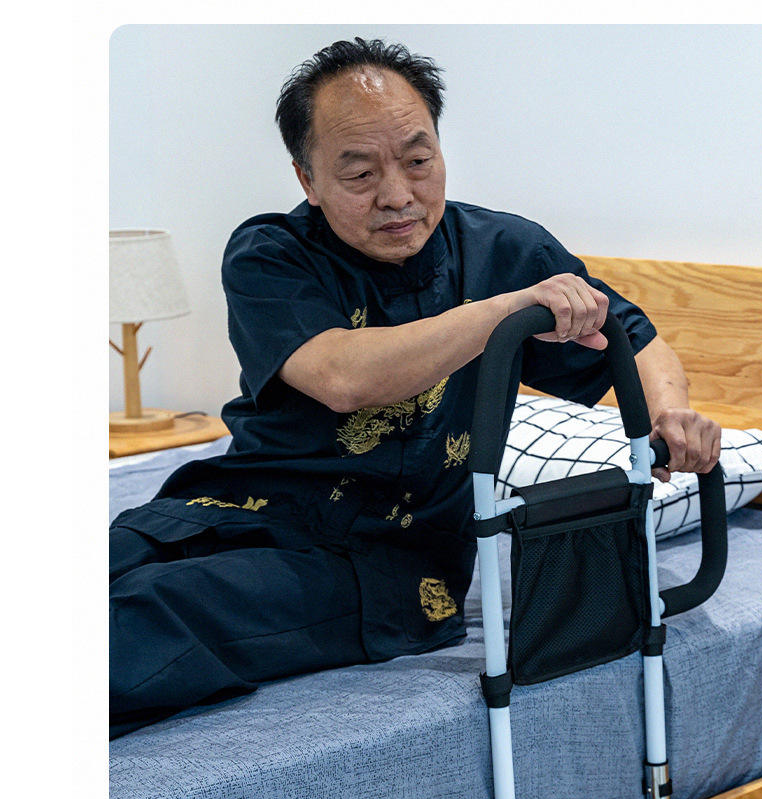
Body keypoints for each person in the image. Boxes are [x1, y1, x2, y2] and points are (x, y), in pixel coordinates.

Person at [109, 37, 721, 739]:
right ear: (308, 179)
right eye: (360, 173)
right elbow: (344, 376)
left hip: (384, 563)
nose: (397, 195)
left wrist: (672, 414)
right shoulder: (270, 254)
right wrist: (507, 312)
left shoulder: (505, 251)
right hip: (235, 504)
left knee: (147, 616)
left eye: (418, 161)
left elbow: (632, 340)